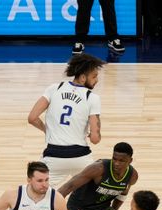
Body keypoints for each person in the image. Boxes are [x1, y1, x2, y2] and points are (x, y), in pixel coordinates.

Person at [27, 54, 106, 189]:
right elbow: (95, 139)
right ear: (82, 78)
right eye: (94, 76)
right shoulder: (92, 98)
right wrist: (94, 134)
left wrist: (48, 130)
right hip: (80, 157)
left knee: (37, 193)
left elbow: (32, 118)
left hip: (54, 156)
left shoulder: (54, 89)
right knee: (91, 194)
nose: (97, 80)